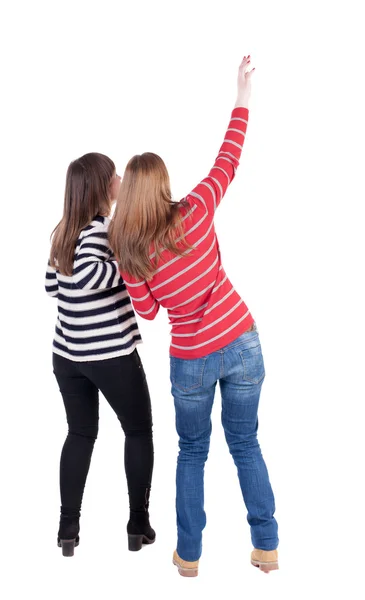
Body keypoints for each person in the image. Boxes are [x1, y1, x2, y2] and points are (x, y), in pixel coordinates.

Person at [109, 55, 279, 576]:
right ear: (162, 185)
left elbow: (150, 313)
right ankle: (267, 548)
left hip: (191, 361)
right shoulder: (197, 209)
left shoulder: (130, 253)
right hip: (242, 341)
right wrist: (242, 95)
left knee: (192, 453)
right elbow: (229, 157)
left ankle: (189, 556)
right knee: (246, 443)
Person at [45, 153, 155, 556]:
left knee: (80, 434)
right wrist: (123, 265)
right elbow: (130, 273)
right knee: (139, 431)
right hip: (110, 354)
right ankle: (137, 522)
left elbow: (52, 288)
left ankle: (67, 529)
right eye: (115, 175)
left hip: (66, 354)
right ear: (102, 186)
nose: (121, 179)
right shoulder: (108, 232)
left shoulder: (62, 233)